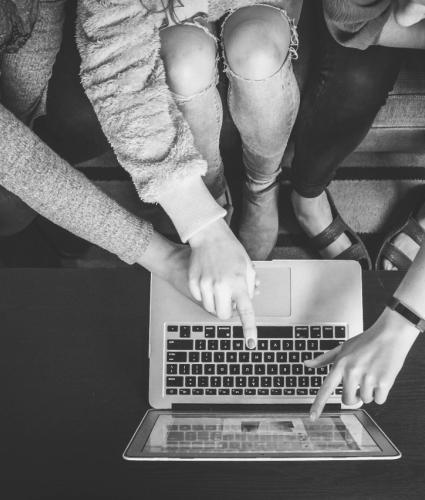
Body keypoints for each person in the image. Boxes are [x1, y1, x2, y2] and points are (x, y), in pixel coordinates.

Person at [0, 0, 259, 343]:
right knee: (12, 217)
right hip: (16, 146)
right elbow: (17, 162)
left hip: (27, 101)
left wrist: (197, 230)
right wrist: (173, 251)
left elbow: (115, 40)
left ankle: (55, 241)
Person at [299, 0, 425, 418]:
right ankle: (305, 197)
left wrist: (400, 324)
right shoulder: (403, 10)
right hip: (369, 12)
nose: (409, 13)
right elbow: (346, 19)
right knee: (354, 79)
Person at [76, 0, 303, 347]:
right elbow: (112, 40)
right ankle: (209, 194)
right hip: (159, 10)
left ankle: (261, 184)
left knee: (257, 50)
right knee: (182, 63)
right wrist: (200, 223)